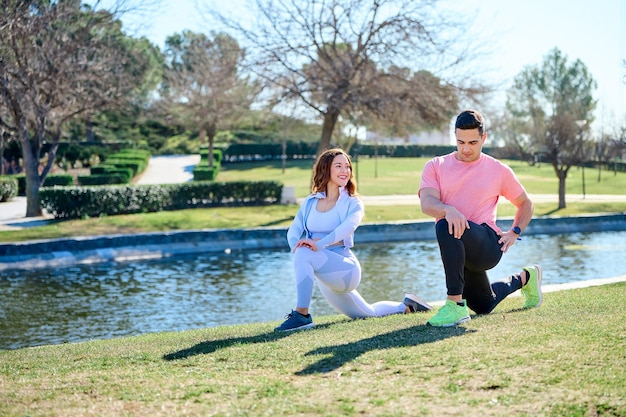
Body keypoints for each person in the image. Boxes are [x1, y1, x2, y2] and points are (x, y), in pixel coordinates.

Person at [275, 148, 432, 332]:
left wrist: (316, 245)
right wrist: (296, 246)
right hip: (326, 275)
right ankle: (407, 306)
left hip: (345, 270)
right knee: (367, 313)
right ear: (326, 169)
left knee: (305, 252)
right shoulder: (310, 202)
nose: (345, 171)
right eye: (339, 166)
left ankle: (302, 315)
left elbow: (348, 227)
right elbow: (294, 228)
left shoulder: (352, 202)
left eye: (347, 166)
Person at [418, 109, 542, 327]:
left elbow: (526, 203)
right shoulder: (436, 166)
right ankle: (527, 278)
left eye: (473, 142)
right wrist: (448, 208)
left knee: (445, 225)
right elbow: (427, 203)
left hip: (486, 246)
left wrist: (515, 232)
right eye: (461, 142)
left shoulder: (498, 170)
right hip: (459, 250)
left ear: (483, 138)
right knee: (484, 304)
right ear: (454, 137)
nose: (466, 148)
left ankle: (455, 306)